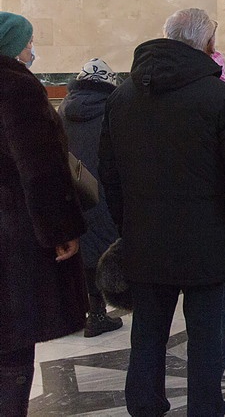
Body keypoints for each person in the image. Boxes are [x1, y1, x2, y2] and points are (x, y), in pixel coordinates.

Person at [99, 8, 225, 416]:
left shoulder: (122, 97)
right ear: (208, 46)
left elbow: (110, 173)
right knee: (208, 338)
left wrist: (130, 224)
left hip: (146, 240)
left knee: (147, 334)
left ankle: (144, 407)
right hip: (207, 243)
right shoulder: (221, 98)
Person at [0, 12, 87, 416]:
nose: (32, 50)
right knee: (15, 337)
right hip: (13, 232)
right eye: (28, 41)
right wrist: (60, 230)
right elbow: (39, 167)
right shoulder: (16, 86)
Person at [58, 58, 123, 338]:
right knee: (106, 246)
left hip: (73, 190)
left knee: (82, 246)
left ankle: (87, 310)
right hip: (104, 188)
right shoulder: (113, 109)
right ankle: (101, 312)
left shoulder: (62, 109)